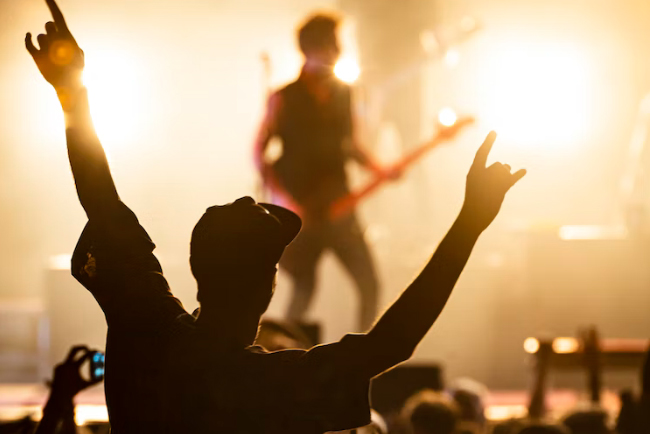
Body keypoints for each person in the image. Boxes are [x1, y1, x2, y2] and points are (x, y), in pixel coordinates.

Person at [26, 1, 525, 432]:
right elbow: (393, 340)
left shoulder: (148, 327)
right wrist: (469, 223)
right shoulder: (275, 384)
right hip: (317, 204)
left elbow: (102, 201)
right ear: (268, 285)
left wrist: (72, 95)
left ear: (202, 270)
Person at [254, 13, 395, 331]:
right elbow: (259, 155)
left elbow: (350, 145)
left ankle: (365, 357)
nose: (338, 51)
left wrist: (379, 169)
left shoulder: (344, 94)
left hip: (339, 206)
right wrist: (287, 202)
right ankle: (283, 355)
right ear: (313, 48)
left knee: (369, 283)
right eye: (332, 44)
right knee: (303, 287)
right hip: (301, 211)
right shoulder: (284, 97)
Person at [35, 346, 103, 434]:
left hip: (57, 406)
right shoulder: (68, 376)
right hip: (62, 406)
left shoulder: (62, 371)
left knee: (51, 427)